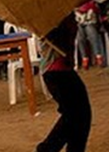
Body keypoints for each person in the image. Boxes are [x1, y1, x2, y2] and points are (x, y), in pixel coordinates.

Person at [36, 15, 91, 152]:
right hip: (56, 71)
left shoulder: (63, 11)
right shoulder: (49, 16)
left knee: (79, 115)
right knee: (74, 115)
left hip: (62, 70)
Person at [74, 1, 104, 69]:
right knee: (80, 39)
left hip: (89, 16)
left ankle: (98, 57)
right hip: (78, 18)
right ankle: (84, 58)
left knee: (93, 37)